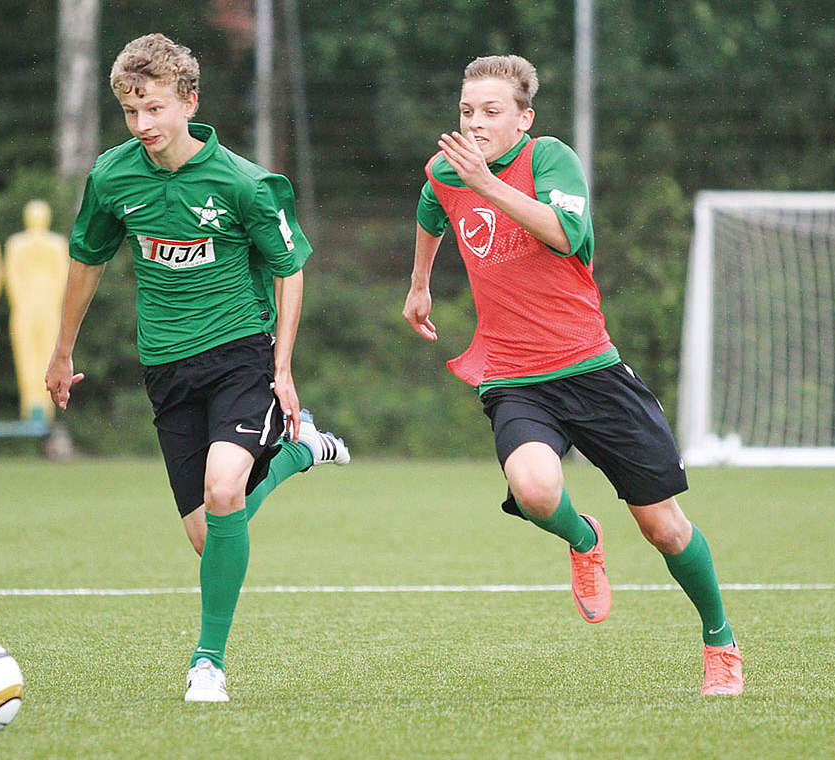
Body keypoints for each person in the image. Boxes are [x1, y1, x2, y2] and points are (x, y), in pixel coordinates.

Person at [402, 55, 742, 696]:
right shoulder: (448, 170)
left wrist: (488, 184)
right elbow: (430, 204)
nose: (475, 123)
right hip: (512, 372)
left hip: (591, 369)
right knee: (532, 489)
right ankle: (584, 539)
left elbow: (567, 234)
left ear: (524, 119)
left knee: (664, 527)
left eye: (491, 112)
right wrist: (420, 284)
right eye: (467, 112)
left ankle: (720, 642)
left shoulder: (551, 159)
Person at [45, 33, 349, 704]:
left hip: (241, 354)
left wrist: (283, 366)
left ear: (189, 101)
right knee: (207, 535)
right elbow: (87, 261)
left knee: (222, 491)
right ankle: (298, 454)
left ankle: (207, 662)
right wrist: (63, 349)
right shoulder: (111, 177)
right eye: (131, 112)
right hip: (166, 367)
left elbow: (290, 268)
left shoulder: (243, 183)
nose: (143, 125)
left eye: (153, 108)